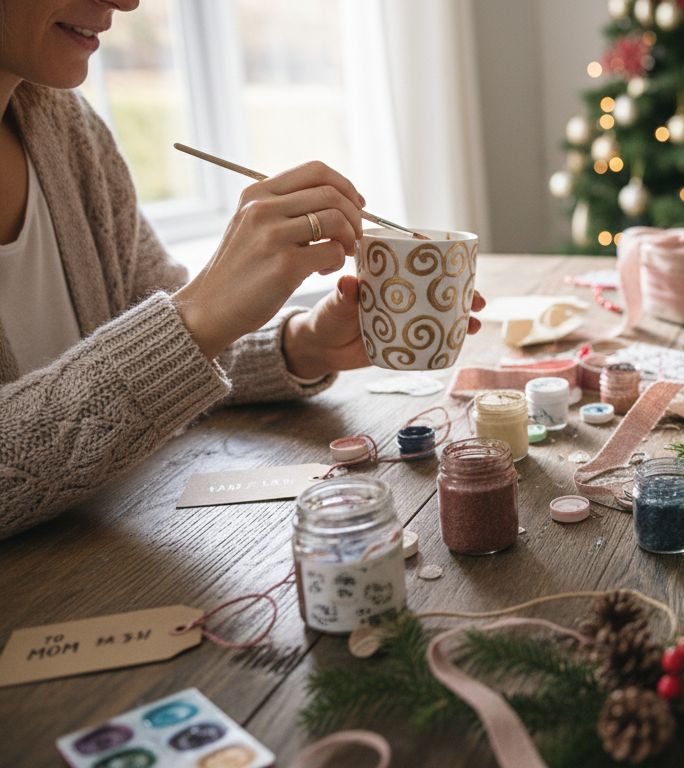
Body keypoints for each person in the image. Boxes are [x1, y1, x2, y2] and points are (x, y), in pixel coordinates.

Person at [0, 0, 484, 539]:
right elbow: (167, 340)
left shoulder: (68, 130)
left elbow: (156, 349)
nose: (128, 1)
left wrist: (301, 346)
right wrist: (195, 316)